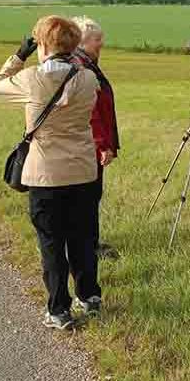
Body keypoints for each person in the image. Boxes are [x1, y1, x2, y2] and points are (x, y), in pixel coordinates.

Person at [0, 16, 102, 330]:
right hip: (82, 169)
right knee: (82, 237)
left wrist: (19, 54)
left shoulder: (30, 79)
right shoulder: (88, 78)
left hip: (45, 174)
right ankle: (90, 296)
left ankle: (59, 310)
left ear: (43, 44)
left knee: (51, 242)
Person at [70, 16, 121, 259]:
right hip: (90, 145)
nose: (101, 43)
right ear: (82, 41)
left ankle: (88, 243)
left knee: (89, 197)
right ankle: (89, 247)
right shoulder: (82, 68)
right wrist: (102, 145)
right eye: (97, 39)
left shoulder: (86, 62)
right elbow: (90, 112)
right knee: (88, 198)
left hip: (88, 143)